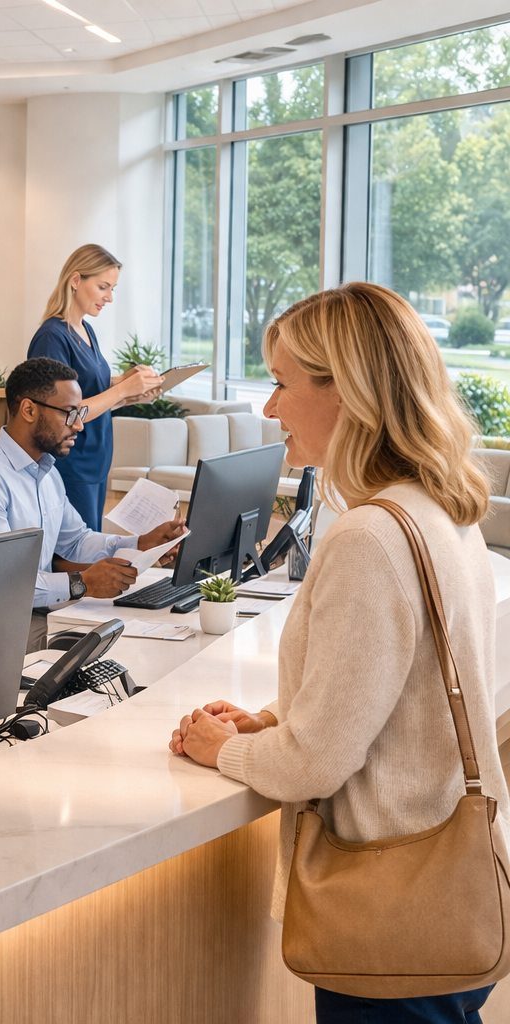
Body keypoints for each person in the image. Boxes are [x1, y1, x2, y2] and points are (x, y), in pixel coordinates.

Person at [168, 283, 508, 1024]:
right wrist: (271, 721)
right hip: (453, 882)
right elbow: (402, 696)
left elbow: (313, 767)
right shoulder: (441, 512)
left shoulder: (368, 538)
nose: (269, 408)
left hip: (393, 905)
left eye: (283, 384)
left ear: (347, 391)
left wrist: (220, 748)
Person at [0, 357, 185, 653]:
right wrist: (80, 583)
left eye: (80, 412)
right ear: (29, 410)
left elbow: (76, 541)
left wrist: (140, 542)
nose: (80, 425)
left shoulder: (47, 471)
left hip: (32, 615)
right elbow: (6, 581)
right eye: (70, 414)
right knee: (123, 648)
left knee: (134, 639)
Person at [27, 244, 164, 530]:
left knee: (89, 550)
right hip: (71, 463)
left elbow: (90, 390)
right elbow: (66, 413)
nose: (110, 298)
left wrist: (130, 387)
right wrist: (123, 389)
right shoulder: (52, 338)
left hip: (96, 462)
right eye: (103, 287)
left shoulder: (85, 330)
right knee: (79, 558)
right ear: (75, 280)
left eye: (112, 288)